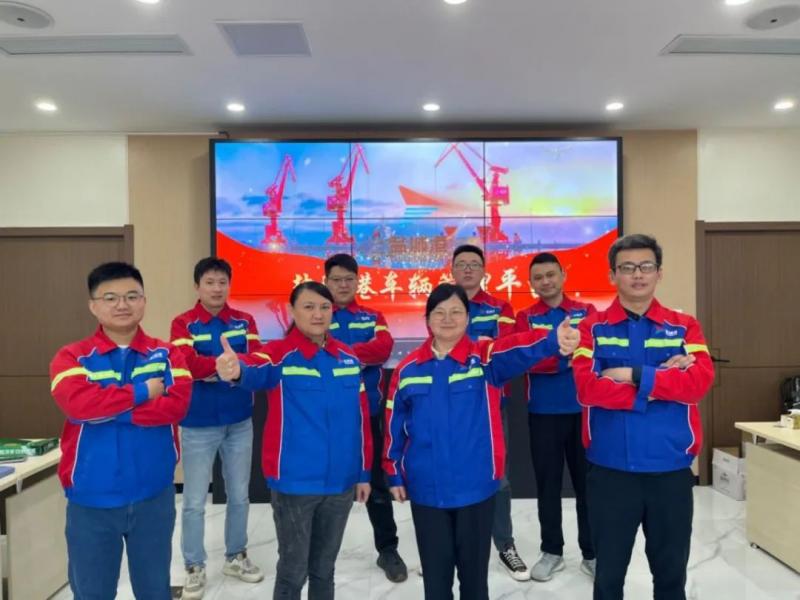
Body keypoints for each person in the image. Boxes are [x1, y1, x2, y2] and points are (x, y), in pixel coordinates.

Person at [383, 283, 580, 600]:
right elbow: (395, 424)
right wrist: (393, 473)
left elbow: (516, 348)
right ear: (427, 319)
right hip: (427, 488)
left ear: (468, 317)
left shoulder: (485, 359)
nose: (448, 319)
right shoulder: (408, 370)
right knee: (436, 580)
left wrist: (551, 340)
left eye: (456, 312)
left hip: (475, 487)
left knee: (474, 582)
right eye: (439, 312)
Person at [572, 234, 715, 600]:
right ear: (612, 275)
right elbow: (588, 389)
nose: (637, 275)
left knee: (670, 578)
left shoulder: (684, 326)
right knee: (608, 578)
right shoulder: (592, 328)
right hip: (610, 472)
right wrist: (661, 383)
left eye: (646, 266)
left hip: (670, 471)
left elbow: (698, 383)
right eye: (627, 267)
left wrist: (631, 374)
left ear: (659, 273)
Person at [216, 281, 372, 600]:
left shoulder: (347, 357)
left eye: (325, 307)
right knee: (292, 571)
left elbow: (360, 420)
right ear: (292, 310)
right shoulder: (280, 355)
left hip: (341, 483)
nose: (318, 314)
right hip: (295, 484)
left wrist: (363, 473)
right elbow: (254, 368)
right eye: (309, 307)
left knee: (324, 569)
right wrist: (235, 370)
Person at [49, 262, 192, 599]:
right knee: (93, 592)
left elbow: (176, 407)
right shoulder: (72, 357)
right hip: (91, 498)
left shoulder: (168, 354)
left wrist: (107, 409)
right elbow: (78, 406)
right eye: (110, 298)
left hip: (153, 495)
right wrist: (143, 392)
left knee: (155, 590)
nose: (122, 305)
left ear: (144, 301)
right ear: (93, 305)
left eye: (131, 296)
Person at [170, 257, 264, 599]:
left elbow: (256, 358)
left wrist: (224, 368)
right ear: (197, 286)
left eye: (222, 282)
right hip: (198, 423)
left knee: (239, 494)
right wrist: (225, 366)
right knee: (195, 500)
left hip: (239, 420)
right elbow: (184, 364)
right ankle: (194, 565)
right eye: (209, 282)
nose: (216, 288)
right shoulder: (184, 323)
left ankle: (235, 556)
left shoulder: (244, 321)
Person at [323, 253, 407, 583]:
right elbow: (307, 351)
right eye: (337, 279)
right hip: (324, 418)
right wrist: (357, 355)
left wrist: (335, 353)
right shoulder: (317, 313)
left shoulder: (373, 316)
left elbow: (383, 348)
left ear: (358, 282)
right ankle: (314, 553)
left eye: (349, 279)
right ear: (326, 282)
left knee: (377, 486)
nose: (343, 285)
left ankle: (388, 549)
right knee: (321, 486)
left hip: (367, 414)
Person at [515, 252, 597, 581]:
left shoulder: (586, 312)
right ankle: (552, 551)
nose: (545, 281)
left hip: (583, 412)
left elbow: (594, 352)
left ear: (563, 275)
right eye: (538, 277)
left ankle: (592, 553)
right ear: (531, 283)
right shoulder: (525, 318)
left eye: (551, 274)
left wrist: (554, 354)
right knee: (547, 486)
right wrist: (564, 357)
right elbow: (526, 360)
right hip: (543, 414)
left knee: (587, 486)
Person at [450, 244, 528, 580]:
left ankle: (505, 545)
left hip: (491, 404)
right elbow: (439, 349)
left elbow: (502, 352)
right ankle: (451, 547)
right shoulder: (443, 305)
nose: (468, 269)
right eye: (462, 264)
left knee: (499, 476)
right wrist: (480, 343)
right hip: (448, 405)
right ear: (452, 271)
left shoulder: (501, 308)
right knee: (452, 471)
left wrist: (467, 346)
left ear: (484, 271)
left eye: (474, 264)